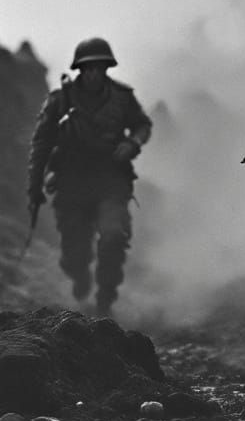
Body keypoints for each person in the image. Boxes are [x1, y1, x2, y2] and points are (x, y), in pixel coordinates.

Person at [27, 37, 152, 315]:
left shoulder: (122, 98)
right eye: (89, 68)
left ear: (107, 68)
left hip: (111, 180)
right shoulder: (61, 100)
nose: (94, 74)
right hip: (71, 182)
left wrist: (132, 144)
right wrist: (35, 185)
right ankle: (80, 277)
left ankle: (105, 299)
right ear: (80, 70)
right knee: (75, 252)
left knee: (113, 236)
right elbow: (41, 143)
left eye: (100, 68)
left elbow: (142, 124)